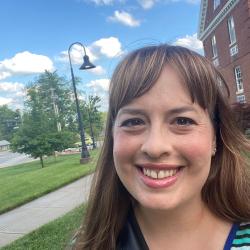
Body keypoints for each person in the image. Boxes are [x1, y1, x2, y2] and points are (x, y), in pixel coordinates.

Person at [72, 44, 250, 250]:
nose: (155, 147)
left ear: (215, 139)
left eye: (183, 121)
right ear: (113, 136)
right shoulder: (89, 244)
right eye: (133, 122)